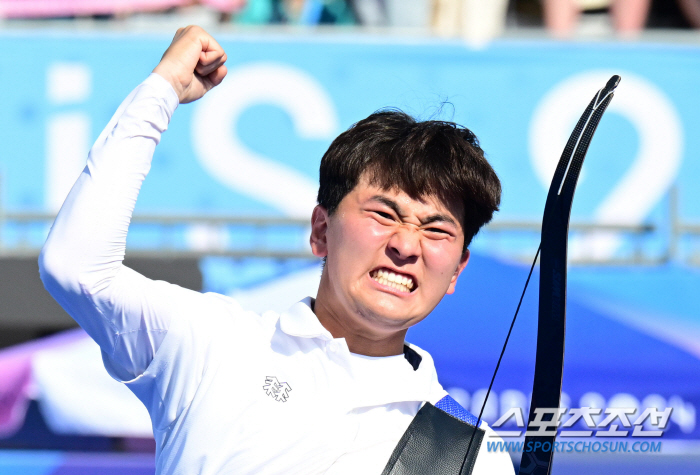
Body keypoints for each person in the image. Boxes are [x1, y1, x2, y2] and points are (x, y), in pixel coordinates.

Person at [39, 26, 514, 474]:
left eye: (435, 229)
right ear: (321, 231)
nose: (406, 245)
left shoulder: (472, 455)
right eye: (384, 215)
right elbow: (77, 269)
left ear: (456, 271)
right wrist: (162, 90)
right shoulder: (213, 343)